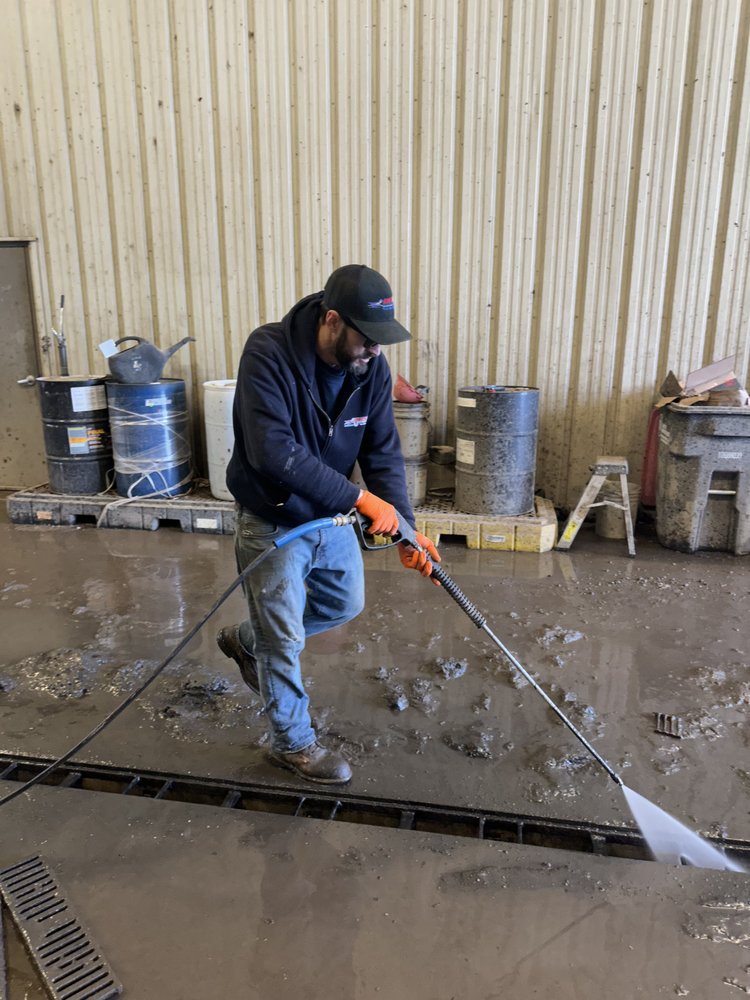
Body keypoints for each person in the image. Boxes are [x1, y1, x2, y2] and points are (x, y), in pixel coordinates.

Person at [217, 264, 440, 785]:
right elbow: (273, 451)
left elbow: (382, 450)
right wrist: (362, 500)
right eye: (367, 339)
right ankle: (291, 743)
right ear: (333, 321)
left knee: (343, 602)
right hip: (272, 518)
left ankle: (247, 640)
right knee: (283, 639)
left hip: (329, 512)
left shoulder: (372, 369)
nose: (376, 352)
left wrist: (404, 528)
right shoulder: (268, 353)